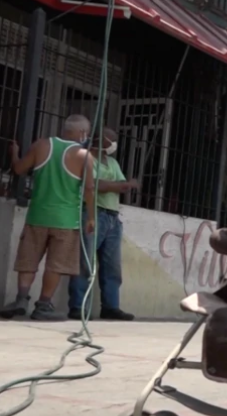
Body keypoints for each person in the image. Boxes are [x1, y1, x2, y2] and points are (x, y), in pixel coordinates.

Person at [1, 115, 95, 321]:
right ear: (82, 134)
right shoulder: (84, 156)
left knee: (29, 259)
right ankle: (43, 306)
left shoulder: (42, 145)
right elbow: (89, 188)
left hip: (37, 216)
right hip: (66, 220)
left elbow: (18, 169)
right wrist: (91, 218)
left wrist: (15, 154)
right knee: (56, 264)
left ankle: (21, 299)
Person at [68, 127, 138, 321]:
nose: (114, 144)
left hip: (112, 217)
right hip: (93, 213)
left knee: (112, 266)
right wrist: (119, 185)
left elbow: (119, 185)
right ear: (101, 140)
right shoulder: (87, 159)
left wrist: (116, 186)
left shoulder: (112, 162)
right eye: (112, 140)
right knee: (85, 262)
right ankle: (78, 306)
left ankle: (110, 306)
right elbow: (98, 185)